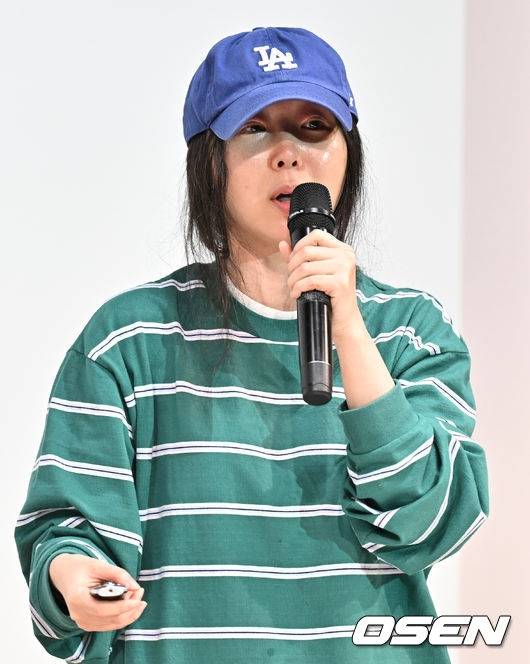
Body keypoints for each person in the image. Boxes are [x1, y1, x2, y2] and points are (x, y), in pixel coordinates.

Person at [14, 26, 489, 664]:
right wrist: (75, 579)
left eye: (314, 127)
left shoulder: (409, 330)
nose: (288, 154)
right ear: (209, 161)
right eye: (255, 128)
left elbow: (431, 522)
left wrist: (348, 328)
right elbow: (66, 533)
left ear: (348, 153)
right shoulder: (129, 339)